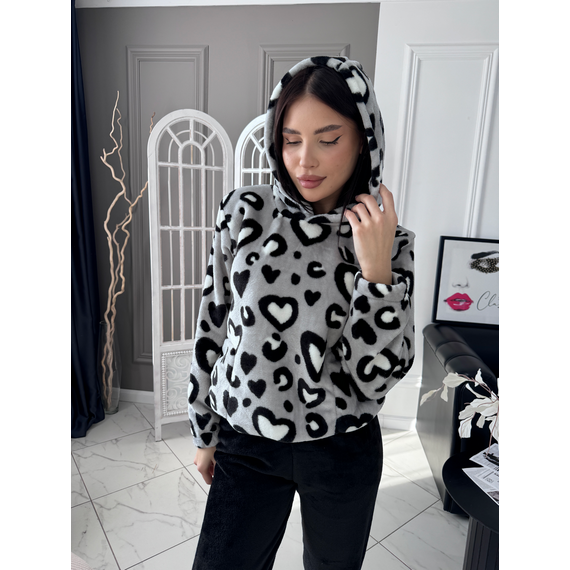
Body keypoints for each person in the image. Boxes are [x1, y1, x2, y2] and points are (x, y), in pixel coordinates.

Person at [188, 56, 415, 570]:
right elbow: (213, 324)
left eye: (328, 139)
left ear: (364, 140)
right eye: (290, 140)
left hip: (343, 447)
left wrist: (376, 272)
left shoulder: (388, 240)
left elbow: (374, 378)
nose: (304, 160)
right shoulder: (243, 213)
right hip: (247, 438)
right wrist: (205, 430)